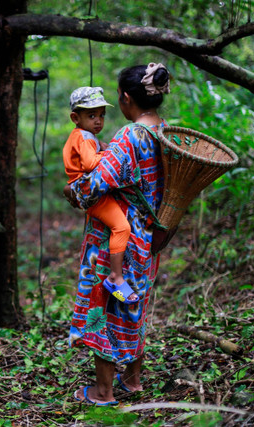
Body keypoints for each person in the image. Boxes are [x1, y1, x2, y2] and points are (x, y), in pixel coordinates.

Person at [64, 63, 171, 406]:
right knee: (133, 303)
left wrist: (72, 192)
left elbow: (94, 184)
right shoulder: (165, 131)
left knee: (107, 307)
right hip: (149, 236)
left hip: (118, 239)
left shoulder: (130, 136)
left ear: (126, 99)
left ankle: (104, 391)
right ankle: (133, 380)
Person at [63, 87, 136, 304]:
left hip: (84, 191)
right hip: (92, 194)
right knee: (122, 227)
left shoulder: (80, 135)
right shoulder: (85, 137)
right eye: (91, 115)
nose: (98, 121)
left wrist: (101, 148)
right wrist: (111, 153)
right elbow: (89, 163)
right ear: (75, 117)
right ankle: (115, 277)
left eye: (101, 115)